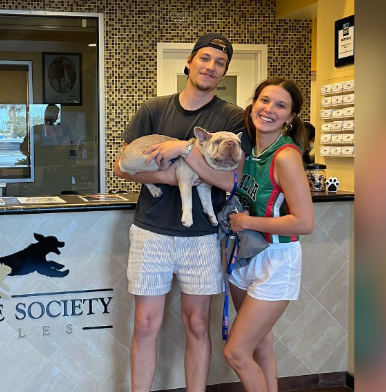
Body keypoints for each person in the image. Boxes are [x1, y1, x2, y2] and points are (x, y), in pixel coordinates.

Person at [113, 33, 251, 392]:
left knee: (197, 324)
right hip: (151, 230)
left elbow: (231, 181)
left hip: (202, 237)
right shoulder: (153, 109)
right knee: (145, 324)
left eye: (220, 63)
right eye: (204, 58)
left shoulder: (232, 117)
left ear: (224, 73)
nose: (211, 67)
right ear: (189, 62)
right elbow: (122, 167)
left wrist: (184, 150)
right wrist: (178, 176)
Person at [223, 77, 315, 392]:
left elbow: (304, 223)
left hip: (276, 261)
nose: (269, 109)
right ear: (253, 104)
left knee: (236, 353)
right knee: (260, 344)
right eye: (264, 100)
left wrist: (248, 223)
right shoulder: (248, 151)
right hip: (246, 256)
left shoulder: (285, 156)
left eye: (280, 105)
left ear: (290, 118)